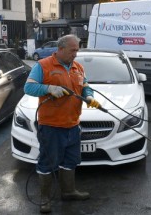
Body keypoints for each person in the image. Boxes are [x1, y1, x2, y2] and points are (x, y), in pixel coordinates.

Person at [24, 34, 101, 214]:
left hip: (73, 125)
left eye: (77, 50)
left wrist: (89, 96)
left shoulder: (78, 67)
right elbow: (28, 87)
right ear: (60, 49)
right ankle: (45, 198)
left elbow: (85, 86)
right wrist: (49, 88)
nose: (76, 54)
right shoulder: (43, 66)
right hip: (51, 126)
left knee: (70, 161)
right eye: (73, 50)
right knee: (47, 163)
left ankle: (68, 191)